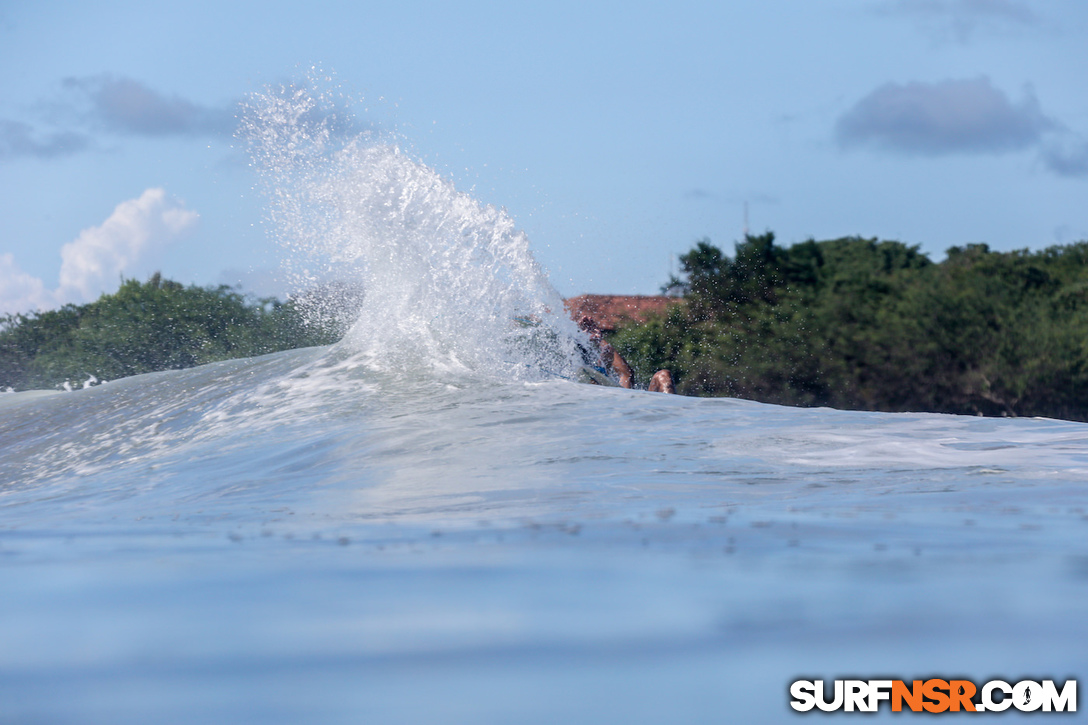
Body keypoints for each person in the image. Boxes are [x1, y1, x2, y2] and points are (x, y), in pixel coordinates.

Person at [577, 316, 675, 394]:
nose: (606, 353)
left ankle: (671, 412)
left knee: (663, 375)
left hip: (645, 412)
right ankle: (601, 369)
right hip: (605, 402)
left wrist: (599, 339)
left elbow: (626, 374)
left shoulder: (624, 397)